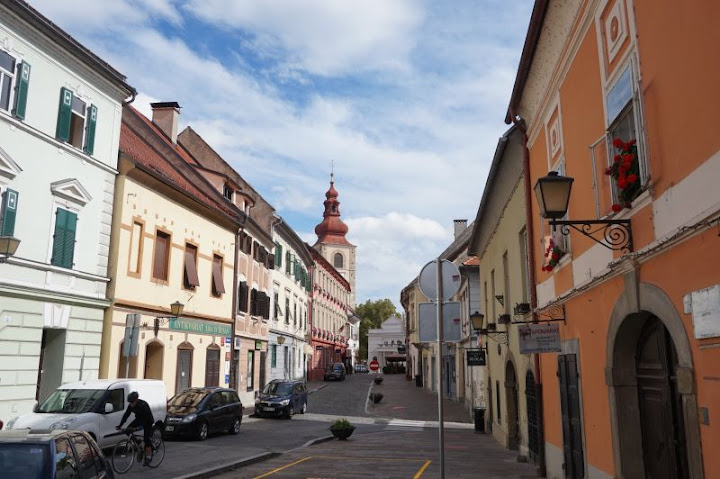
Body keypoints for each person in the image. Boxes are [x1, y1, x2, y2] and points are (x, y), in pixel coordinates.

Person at [117, 391, 155, 466]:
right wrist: (120, 425)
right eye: (130, 403)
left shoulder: (143, 405)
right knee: (128, 430)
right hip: (139, 419)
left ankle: (149, 456)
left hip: (148, 421)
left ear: (136, 400)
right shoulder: (131, 405)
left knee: (146, 438)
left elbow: (146, 419)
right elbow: (126, 415)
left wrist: (139, 427)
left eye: (132, 402)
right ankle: (139, 444)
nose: (131, 404)